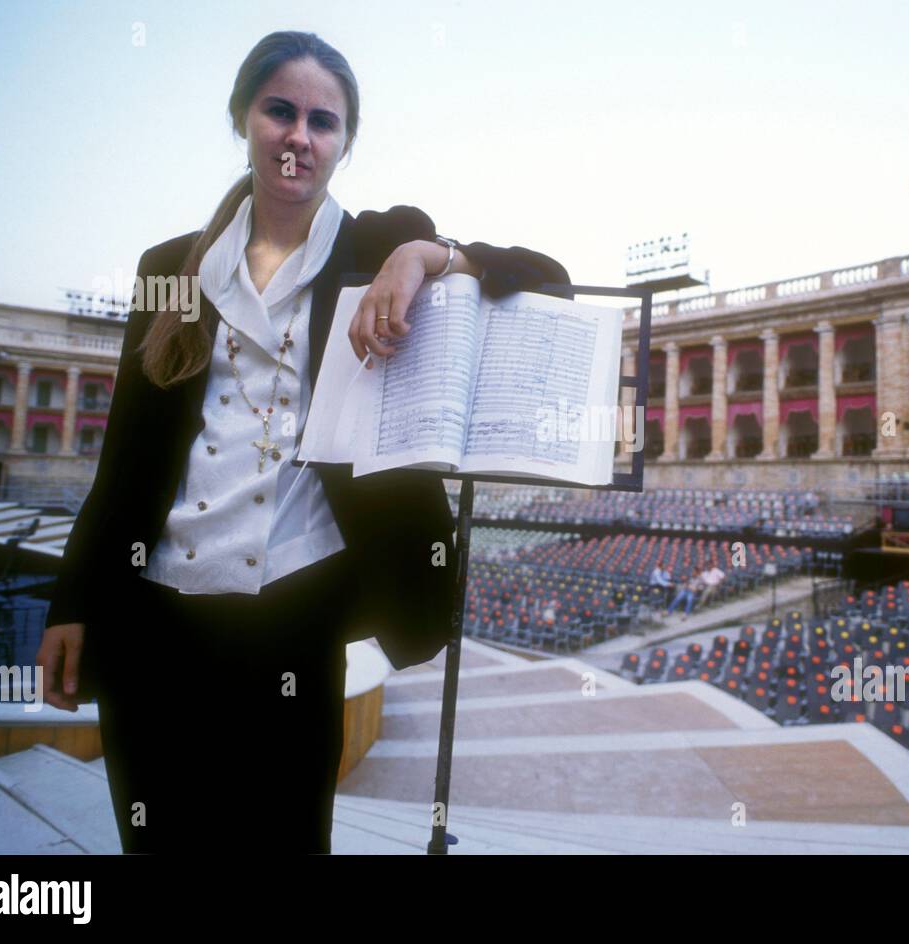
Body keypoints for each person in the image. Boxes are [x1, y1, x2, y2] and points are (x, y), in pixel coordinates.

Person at [34, 31, 568, 855]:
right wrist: (73, 601)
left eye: (323, 121)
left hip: (296, 618)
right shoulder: (170, 266)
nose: (299, 136)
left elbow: (547, 277)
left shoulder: (377, 245)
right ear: (243, 119)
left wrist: (428, 257)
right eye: (279, 111)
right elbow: (127, 454)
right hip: (154, 623)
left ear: (344, 142)